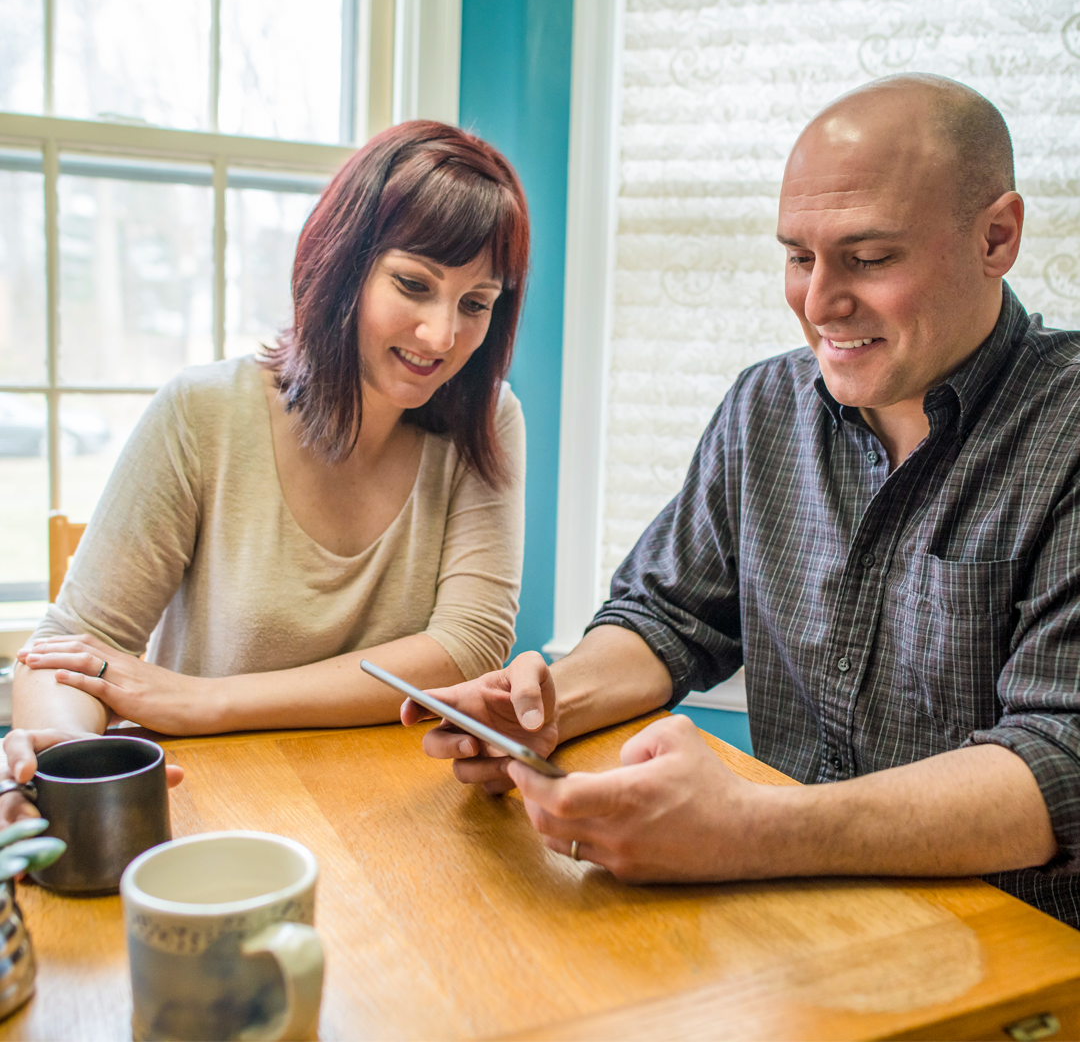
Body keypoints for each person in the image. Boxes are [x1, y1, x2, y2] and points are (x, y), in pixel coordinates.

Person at [407, 74, 1080, 929]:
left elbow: (1061, 761)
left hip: (1015, 949)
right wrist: (547, 705)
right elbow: (666, 615)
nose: (818, 302)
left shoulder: (1069, 432)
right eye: (798, 257)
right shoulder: (765, 407)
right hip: (792, 926)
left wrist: (747, 829)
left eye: (869, 259)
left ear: (997, 236)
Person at [5, 121, 529, 817]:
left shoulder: (488, 419)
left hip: (395, 814)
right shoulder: (203, 412)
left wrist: (203, 700)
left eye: (476, 305)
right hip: (215, 807)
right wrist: (69, 758)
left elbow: (470, 647)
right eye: (413, 284)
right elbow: (69, 648)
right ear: (344, 266)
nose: (442, 336)